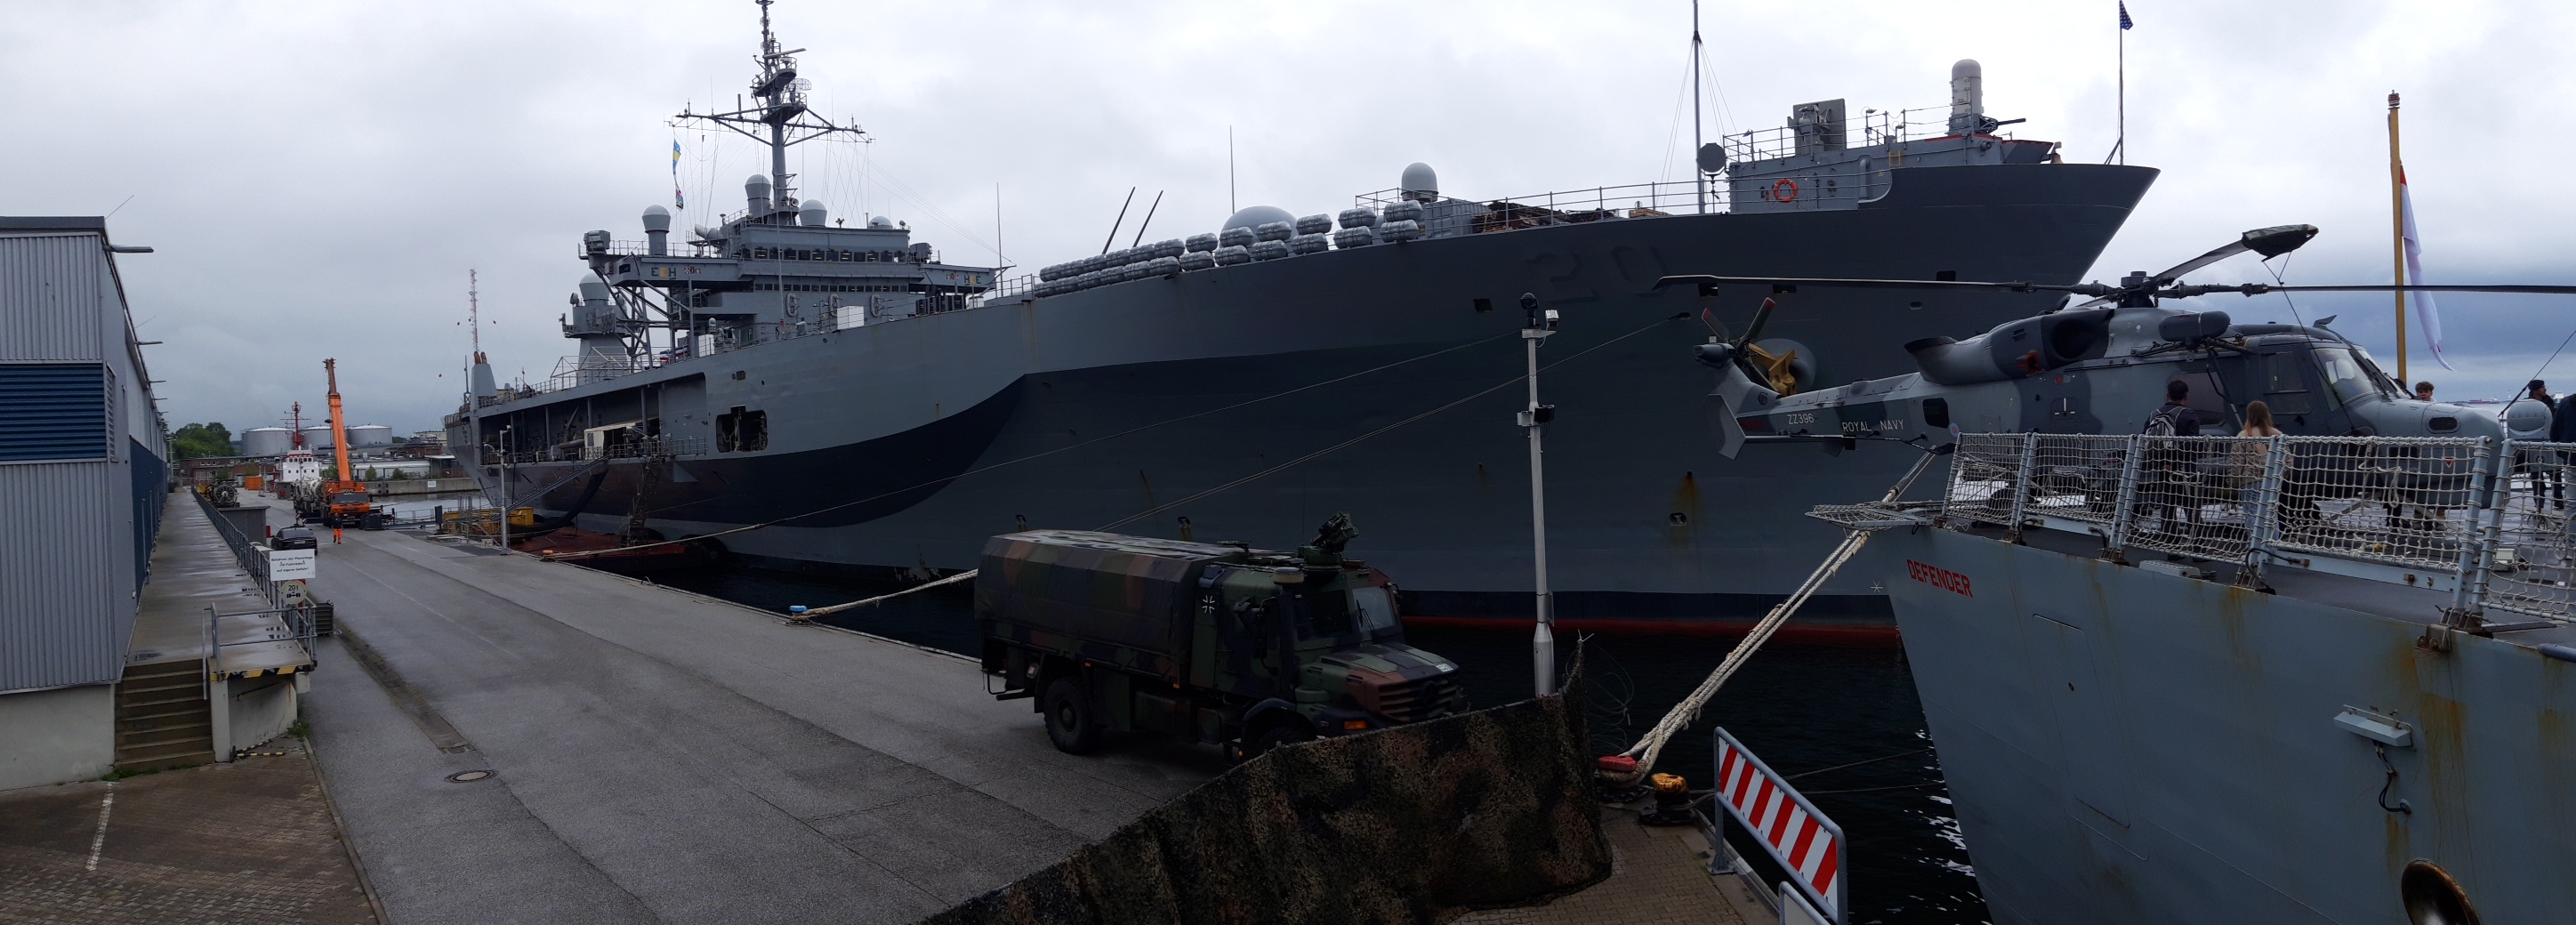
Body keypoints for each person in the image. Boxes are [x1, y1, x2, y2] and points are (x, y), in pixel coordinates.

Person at [2521, 381, 2564, 511]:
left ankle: (2558, 500)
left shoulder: (2550, 403)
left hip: (2550, 441)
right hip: (2533, 443)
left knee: (2555, 472)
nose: (2545, 389)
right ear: (2535, 390)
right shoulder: (2526, 405)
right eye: (2542, 387)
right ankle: (2539, 502)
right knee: (2536, 474)